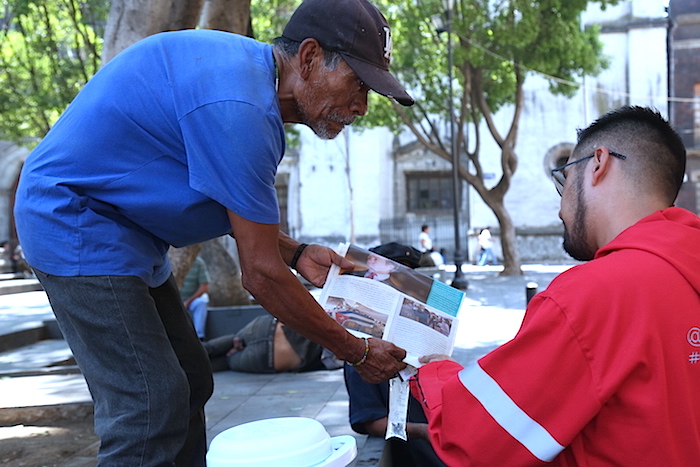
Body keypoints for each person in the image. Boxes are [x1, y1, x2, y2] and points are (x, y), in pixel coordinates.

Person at [13, 0, 412, 464]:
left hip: (125, 230)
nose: (361, 107)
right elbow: (260, 275)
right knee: (148, 405)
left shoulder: (247, 86)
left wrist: (297, 252)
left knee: (191, 378)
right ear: (307, 57)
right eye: (358, 84)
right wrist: (357, 351)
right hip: (74, 220)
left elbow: (234, 214)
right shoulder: (240, 108)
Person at [409, 106, 700, 465]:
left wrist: (434, 369)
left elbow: (476, 442)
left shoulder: (591, 295)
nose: (560, 208)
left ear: (598, 164)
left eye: (563, 180)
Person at [344, 242, 445, 467]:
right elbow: (370, 420)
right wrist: (421, 431)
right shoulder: (360, 347)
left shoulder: (421, 332)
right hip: (419, 447)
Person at [203, 314, 343, 374]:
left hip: (265, 328)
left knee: (214, 347)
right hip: (269, 358)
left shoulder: (336, 318)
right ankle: (186, 369)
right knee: (222, 363)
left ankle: (183, 357)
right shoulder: (349, 351)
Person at [181, 256, 210, 339]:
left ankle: (199, 337)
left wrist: (188, 301)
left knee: (202, 302)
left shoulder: (198, 263)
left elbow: (204, 287)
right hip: (173, 298)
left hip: (191, 299)